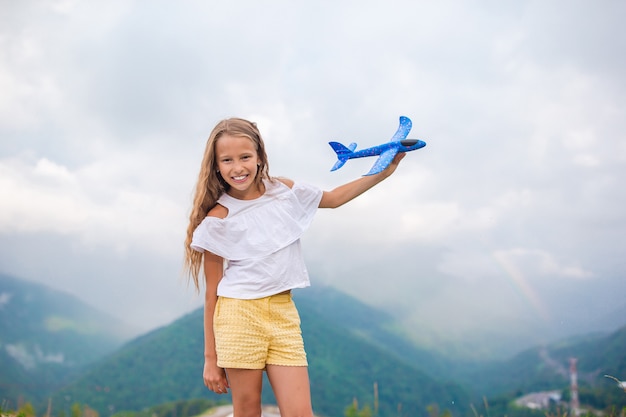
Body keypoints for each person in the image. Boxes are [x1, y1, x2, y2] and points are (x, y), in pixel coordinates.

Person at [184, 117, 405, 417]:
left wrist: (384, 171)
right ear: (217, 166)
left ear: (260, 157)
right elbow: (212, 294)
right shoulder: (217, 219)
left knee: (301, 413)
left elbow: (333, 198)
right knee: (248, 411)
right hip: (238, 316)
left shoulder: (282, 190)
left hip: (283, 314)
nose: (238, 168)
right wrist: (210, 359)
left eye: (245, 157)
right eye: (227, 160)